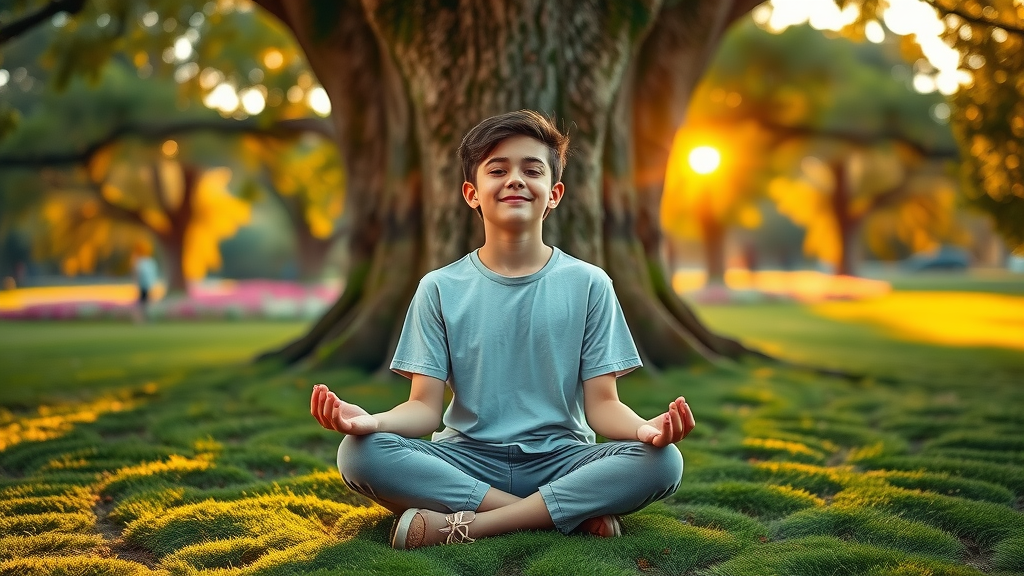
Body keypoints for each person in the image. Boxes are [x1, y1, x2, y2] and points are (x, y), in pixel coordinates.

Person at [310, 110, 695, 550]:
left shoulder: (590, 284)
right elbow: (423, 408)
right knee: (360, 453)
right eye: (498, 170)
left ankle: (466, 526)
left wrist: (646, 431)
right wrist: (370, 421)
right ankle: (559, 513)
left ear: (554, 194)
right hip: (466, 460)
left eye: (532, 169)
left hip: (564, 459)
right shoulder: (439, 288)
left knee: (663, 462)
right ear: (472, 193)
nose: (515, 179)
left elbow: (603, 406)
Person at [131, 242, 159, 323]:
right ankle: (142, 319)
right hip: (146, 285)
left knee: (144, 303)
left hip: (146, 285)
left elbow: (137, 273)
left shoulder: (143, 262)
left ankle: (143, 319)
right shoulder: (147, 262)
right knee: (144, 303)